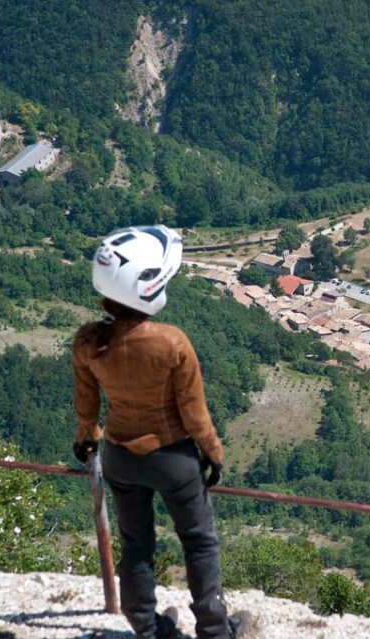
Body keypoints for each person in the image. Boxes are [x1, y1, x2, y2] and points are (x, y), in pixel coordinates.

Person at [72, 225, 249, 639]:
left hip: (119, 455)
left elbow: (87, 407)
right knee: (199, 542)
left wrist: (87, 439)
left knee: (136, 545)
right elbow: (193, 411)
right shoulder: (172, 342)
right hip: (173, 459)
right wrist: (213, 453)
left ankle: (148, 630)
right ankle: (214, 631)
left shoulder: (88, 342)